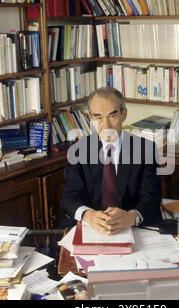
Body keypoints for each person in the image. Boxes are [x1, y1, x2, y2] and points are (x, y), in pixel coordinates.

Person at [61, 87, 162, 235]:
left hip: (132, 229)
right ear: (91, 118)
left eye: (112, 116)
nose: (106, 126)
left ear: (123, 114)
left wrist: (131, 217)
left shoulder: (146, 149)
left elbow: (151, 198)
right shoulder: (77, 150)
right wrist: (88, 215)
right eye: (98, 117)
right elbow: (69, 198)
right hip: (91, 227)